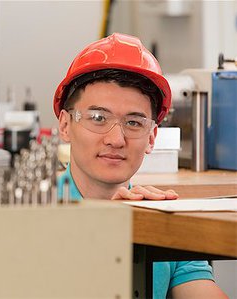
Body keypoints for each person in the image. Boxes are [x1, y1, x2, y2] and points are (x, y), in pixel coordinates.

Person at [54, 33, 228, 299]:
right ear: (65, 125)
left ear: (151, 138)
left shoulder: (161, 222)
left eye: (134, 123)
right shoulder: (30, 214)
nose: (115, 139)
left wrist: (154, 227)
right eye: (98, 118)